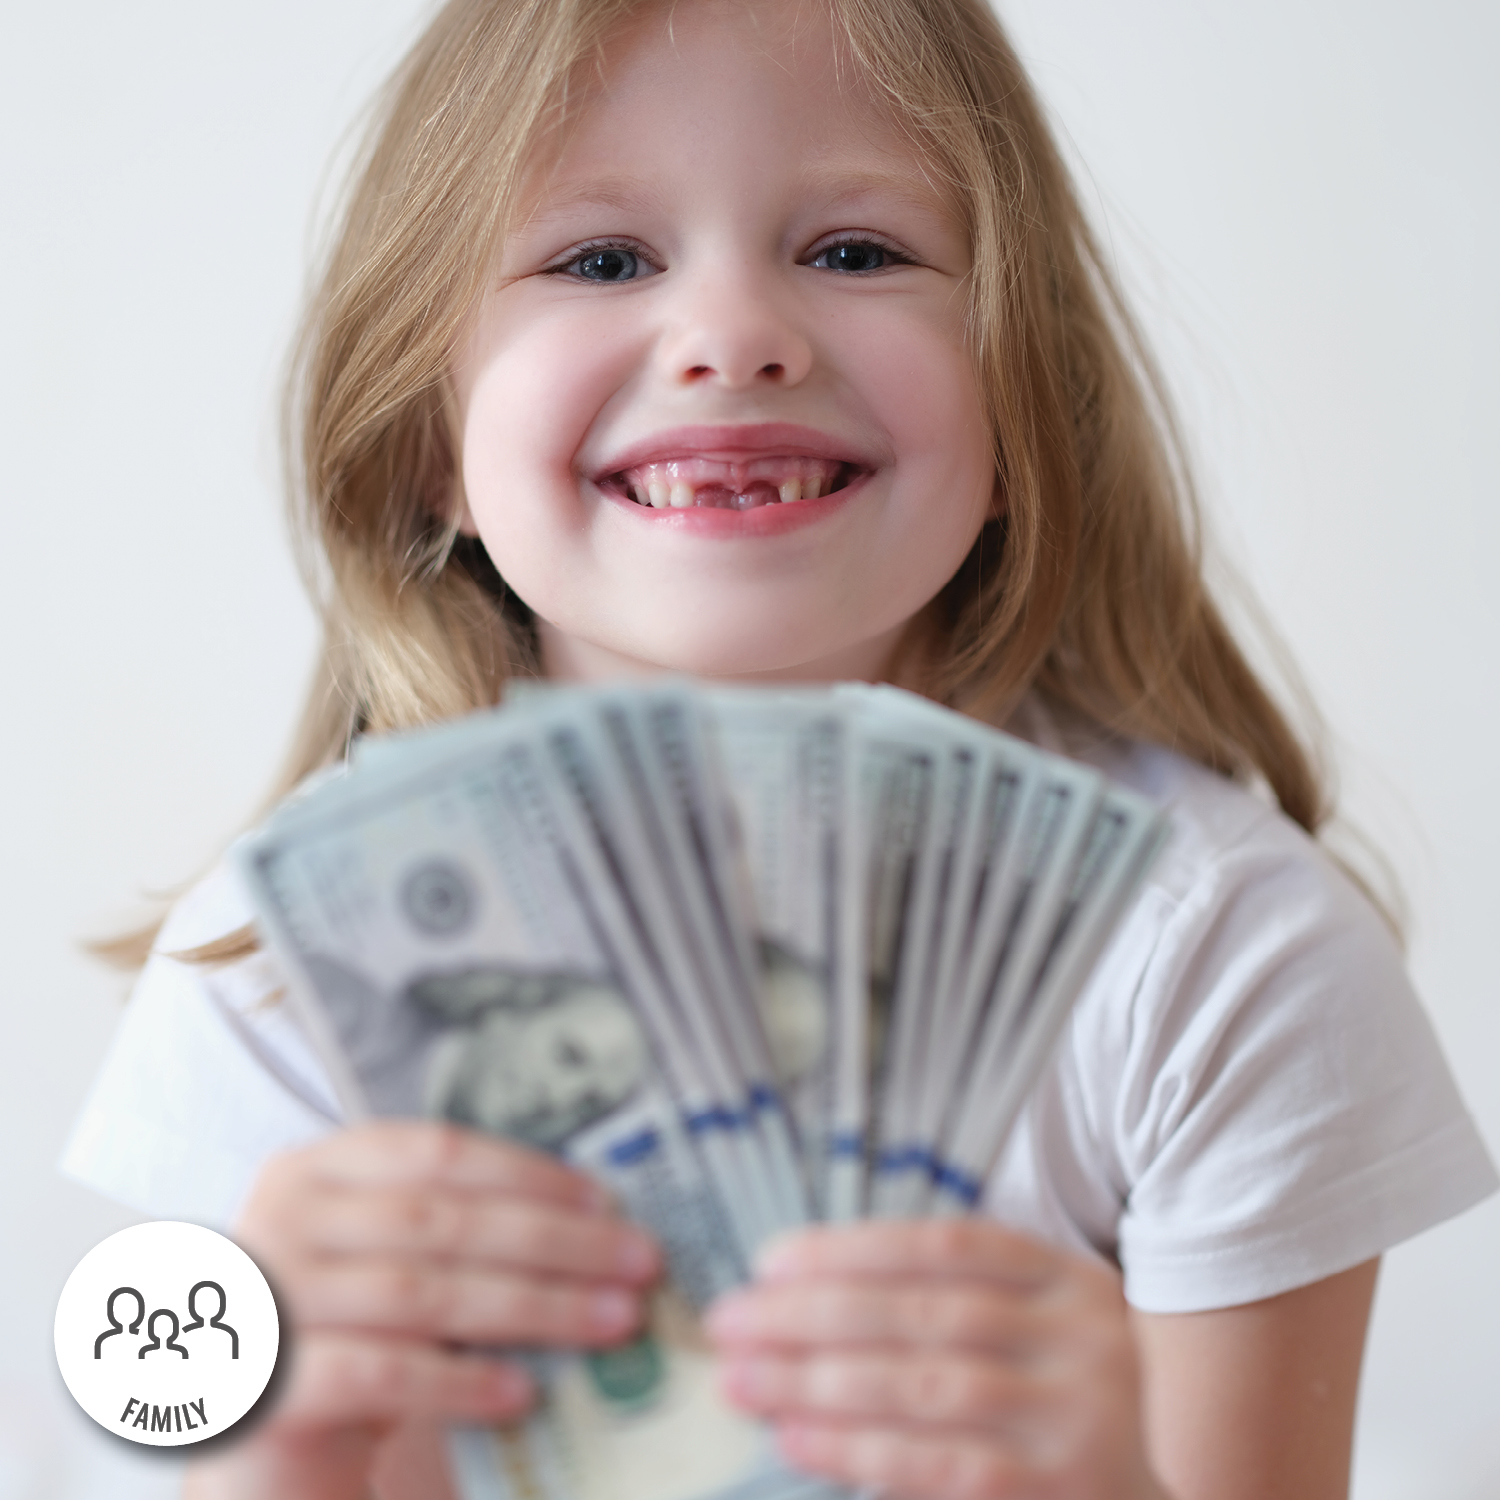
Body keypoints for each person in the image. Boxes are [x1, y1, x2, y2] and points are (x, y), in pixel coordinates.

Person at [62, 0, 1495, 1496]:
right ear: (431, 439)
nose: (735, 339)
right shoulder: (281, 968)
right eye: (600, 260)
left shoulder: (1223, 964)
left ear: (1025, 406)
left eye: (856, 252)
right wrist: (277, 1438)